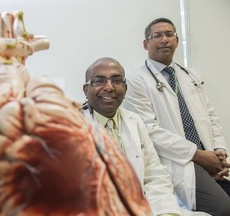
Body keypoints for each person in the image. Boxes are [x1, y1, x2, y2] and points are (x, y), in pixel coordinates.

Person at [123, 17, 230, 216]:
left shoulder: (190, 75)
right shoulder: (136, 81)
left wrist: (219, 152)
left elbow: (211, 117)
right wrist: (197, 155)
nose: (164, 39)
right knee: (223, 209)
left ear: (177, 41)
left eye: (169, 34)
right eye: (157, 36)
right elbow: (149, 130)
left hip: (209, 155)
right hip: (181, 161)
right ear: (146, 44)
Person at [82, 57, 210, 216]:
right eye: (99, 81)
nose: (109, 87)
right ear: (86, 90)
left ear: (125, 88)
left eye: (116, 80)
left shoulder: (135, 122)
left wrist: (166, 212)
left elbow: (154, 176)